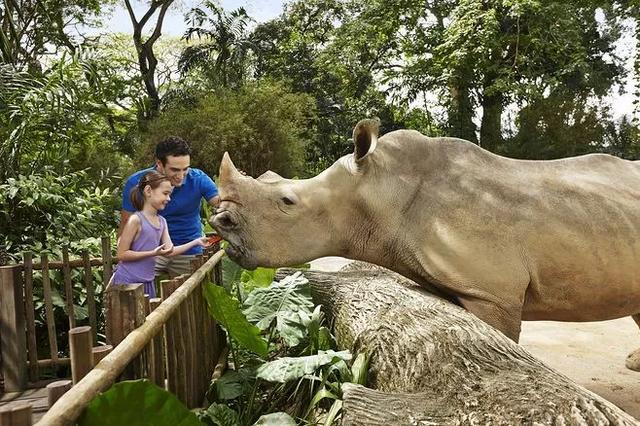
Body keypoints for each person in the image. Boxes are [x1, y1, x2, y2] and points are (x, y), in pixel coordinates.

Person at [119, 136, 219, 278]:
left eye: (185, 169)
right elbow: (126, 223)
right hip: (150, 251)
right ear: (159, 164)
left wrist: (237, 188)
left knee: (191, 297)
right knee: (127, 289)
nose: (181, 176)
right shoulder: (136, 182)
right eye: (175, 170)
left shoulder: (198, 179)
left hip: (188, 251)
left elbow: (221, 205)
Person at [113, 171, 210, 297]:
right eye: (165, 194)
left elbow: (170, 250)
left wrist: (196, 242)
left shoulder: (162, 222)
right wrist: (153, 253)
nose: (168, 199)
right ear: (148, 191)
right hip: (127, 282)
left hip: (148, 282)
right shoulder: (135, 220)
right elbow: (122, 254)